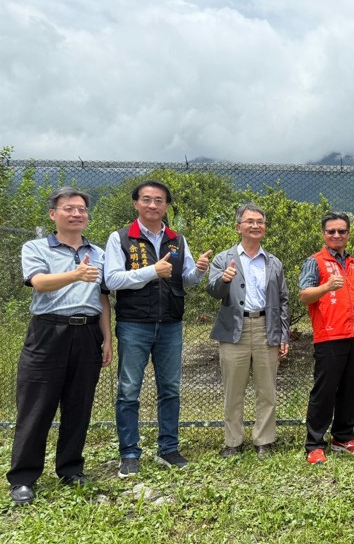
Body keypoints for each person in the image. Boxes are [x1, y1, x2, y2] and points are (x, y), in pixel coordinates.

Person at [7, 188, 112, 505]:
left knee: (79, 406)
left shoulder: (100, 253)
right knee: (36, 407)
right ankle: (23, 478)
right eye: (69, 208)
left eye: (82, 209)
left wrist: (107, 338)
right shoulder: (37, 247)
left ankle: (71, 470)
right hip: (48, 332)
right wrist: (75, 274)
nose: (77, 214)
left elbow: (103, 297)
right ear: (54, 214)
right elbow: (38, 282)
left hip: (88, 333)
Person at [104, 180, 211, 477]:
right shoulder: (121, 238)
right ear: (136, 203)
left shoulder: (177, 239)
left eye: (159, 200)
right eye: (147, 199)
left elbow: (185, 278)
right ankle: (129, 452)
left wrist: (199, 270)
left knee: (170, 389)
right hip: (133, 324)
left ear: (167, 206)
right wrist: (152, 271)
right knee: (128, 390)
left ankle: (168, 448)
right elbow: (112, 280)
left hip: (170, 325)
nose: (153, 205)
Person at [207, 204, 290, 460]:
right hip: (234, 330)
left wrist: (283, 334)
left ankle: (264, 440)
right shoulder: (224, 258)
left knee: (267, 390)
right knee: (234, 389)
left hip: (266, 328)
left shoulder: (273, 262)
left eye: (260, 221)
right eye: (249, 221)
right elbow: (213, 291)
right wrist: (225, 279)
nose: (255, 225)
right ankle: (233, 441)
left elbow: (284, 300)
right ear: (238, 227)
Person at [299, 212, 354, 464]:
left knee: (349, 390)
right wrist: (326, 287)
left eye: (341, 231)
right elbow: (305, 295)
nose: (336, 235)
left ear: (348, 234)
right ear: (324, 234)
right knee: (324, 392)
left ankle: (343, 437)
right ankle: (314, 444)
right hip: (329, 336)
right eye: (331, 231)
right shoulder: (315, 262)